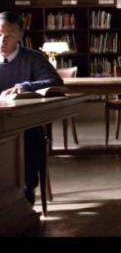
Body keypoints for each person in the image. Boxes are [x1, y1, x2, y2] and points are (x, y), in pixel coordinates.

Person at [0, 11, 63, 205]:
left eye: (9, 35)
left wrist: (26, 86)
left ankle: (26, 195)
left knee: (29, 138)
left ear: (20, 35)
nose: (2, 40)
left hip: (24, 125)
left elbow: (55, 81)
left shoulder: (33, 58)